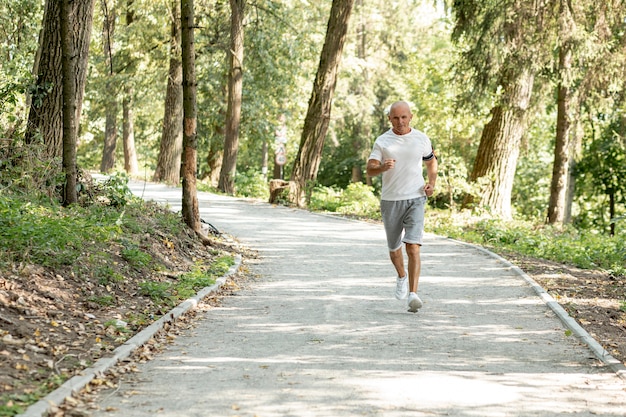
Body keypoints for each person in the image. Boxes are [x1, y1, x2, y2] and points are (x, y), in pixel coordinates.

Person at [366, 101, 438, 313]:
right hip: (391, 200)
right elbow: (370, 169)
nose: (400, 122)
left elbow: (431, 162)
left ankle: (413, 294)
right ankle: (401, 276)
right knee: (394, 248)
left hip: (416, 197)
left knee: (413, 246)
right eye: (396, 118)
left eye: (404, 117)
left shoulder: (421, 138)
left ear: (411, 117)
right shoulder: (382, 141)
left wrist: (431, 183)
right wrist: (381, 167)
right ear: (389, 119)